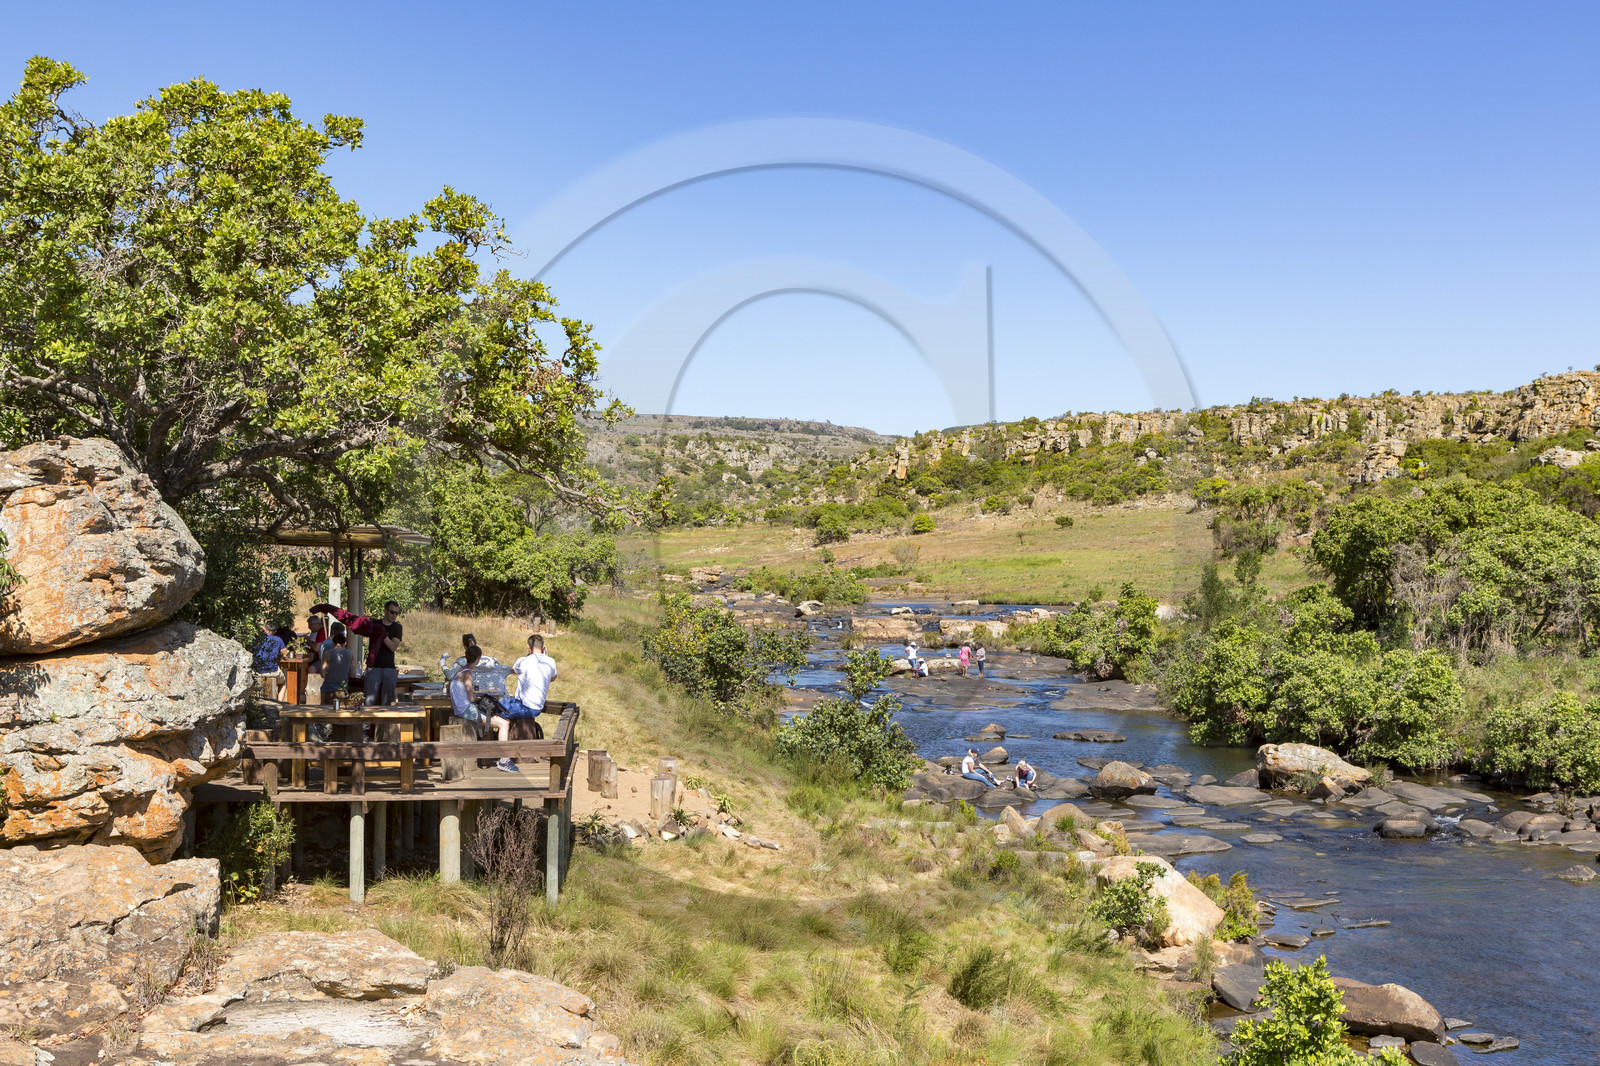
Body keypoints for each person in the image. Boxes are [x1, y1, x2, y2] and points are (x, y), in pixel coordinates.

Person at [487, 634, 558, 773]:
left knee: (489, 710)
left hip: (526, 706)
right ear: (543, 647)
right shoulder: (550, 661)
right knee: (494, 704)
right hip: (533, 705)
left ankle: (503, 759)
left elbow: (513, 670)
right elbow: (553, 678)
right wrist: (546, 656)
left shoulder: (523, 661)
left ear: (528, 647)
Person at [364, 601, 404, 706]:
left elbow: (393, 647)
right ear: (385, 611)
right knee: (368, 701)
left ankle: (384, 723)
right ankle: (366, 722)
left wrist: (382, 634)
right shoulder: (374, 624)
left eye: (396, 613)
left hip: (389, 667)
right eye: (391, 612)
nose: (394, 615)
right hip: (373, 667)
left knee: (387, 703)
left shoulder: (397, 627)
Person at [448, 644, 484, 732]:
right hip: (465, 709)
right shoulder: (467, 673)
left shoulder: (461, 670)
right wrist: (479, 699)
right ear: (478, 658)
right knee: (503, 723)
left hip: (459, 709)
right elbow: (471, 698)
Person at [251, 622, 287, 700]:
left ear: (265, 629)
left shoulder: (256, 639)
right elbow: (284, 654)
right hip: (273, 671)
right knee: (283, 683)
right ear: (275, 631)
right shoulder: (278, 639)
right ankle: (280, 702)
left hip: (257, 671)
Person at [319, 630, 353, 705]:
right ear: (344, 643)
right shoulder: (350, 654)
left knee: (322, 691)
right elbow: (351, 672)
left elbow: (323, 674)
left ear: (333, 643)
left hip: (329, 686)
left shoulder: (327, 653)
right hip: (343, 686)